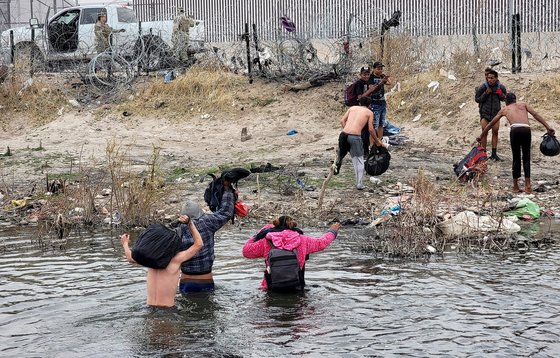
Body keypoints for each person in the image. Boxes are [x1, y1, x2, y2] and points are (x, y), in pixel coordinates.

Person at [477, 92, 555, 193]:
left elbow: (491, 123)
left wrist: (481, 135)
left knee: (516, 158)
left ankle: (515, 186)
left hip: (515, 130)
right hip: (526, 129)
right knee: (526, 157)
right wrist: (548, 127)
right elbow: (535, 114)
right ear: (515, 100)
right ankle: (528, 185)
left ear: (506, 101)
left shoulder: (505, 109)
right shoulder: (523, 105)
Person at [120, 215, 203, 308]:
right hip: (168, 311)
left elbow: (130, 258)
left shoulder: (149, 261)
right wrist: (190, 224)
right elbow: (199, 244)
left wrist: (125, 244)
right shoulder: (175, 260)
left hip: (150, 309)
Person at [242, 215, 341, 290]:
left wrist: (261, 232)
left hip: (271, 287)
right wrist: (332, 231)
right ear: (293, 225)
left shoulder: (266, 241)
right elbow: (322, 243)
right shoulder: (303, 240)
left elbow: (246, 251)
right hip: (296, 286)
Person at [174, 185, 235, 293]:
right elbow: (226, 212)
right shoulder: (207, 222)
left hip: (184, 282)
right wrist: (228, 190)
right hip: (205, 281)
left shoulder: (176, 230)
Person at [334, 96, 383, 190]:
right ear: (369, 105)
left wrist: (347, 130)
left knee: (346, 157)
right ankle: (359, 184)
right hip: (355, 137)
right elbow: (371, 129)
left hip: (343, 134)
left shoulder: (352, 108)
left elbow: (342, 121)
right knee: (359, 160)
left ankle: (337, 164)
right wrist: (377, 141)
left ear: (360, 103)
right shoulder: (369, 112)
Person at [475, 68, 507, 161]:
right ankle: (483, 154)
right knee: (484, 132)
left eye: (492, 78)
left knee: (495, 132)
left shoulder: (501, 87)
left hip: (496, 114)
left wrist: (501, 95)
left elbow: (505, 99)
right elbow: (477, 99)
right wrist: (485, 93)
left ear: (496, 78)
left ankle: (494, 154)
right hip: (484, 114)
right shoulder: (483, 87)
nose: (489, 80)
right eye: (488, 78)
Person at [365, 61, 392, 140]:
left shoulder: (382, 76)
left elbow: (389, 83)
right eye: (378, 69)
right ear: (374, 69)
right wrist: (381, 82)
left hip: (382, 102)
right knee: (374, 125)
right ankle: (372, 143)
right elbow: (371, 89)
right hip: (374, 102)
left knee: (381, 124)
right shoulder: (371, 77)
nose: (380, 70)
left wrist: (386, 78)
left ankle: (380, 141)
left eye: (381, 69)